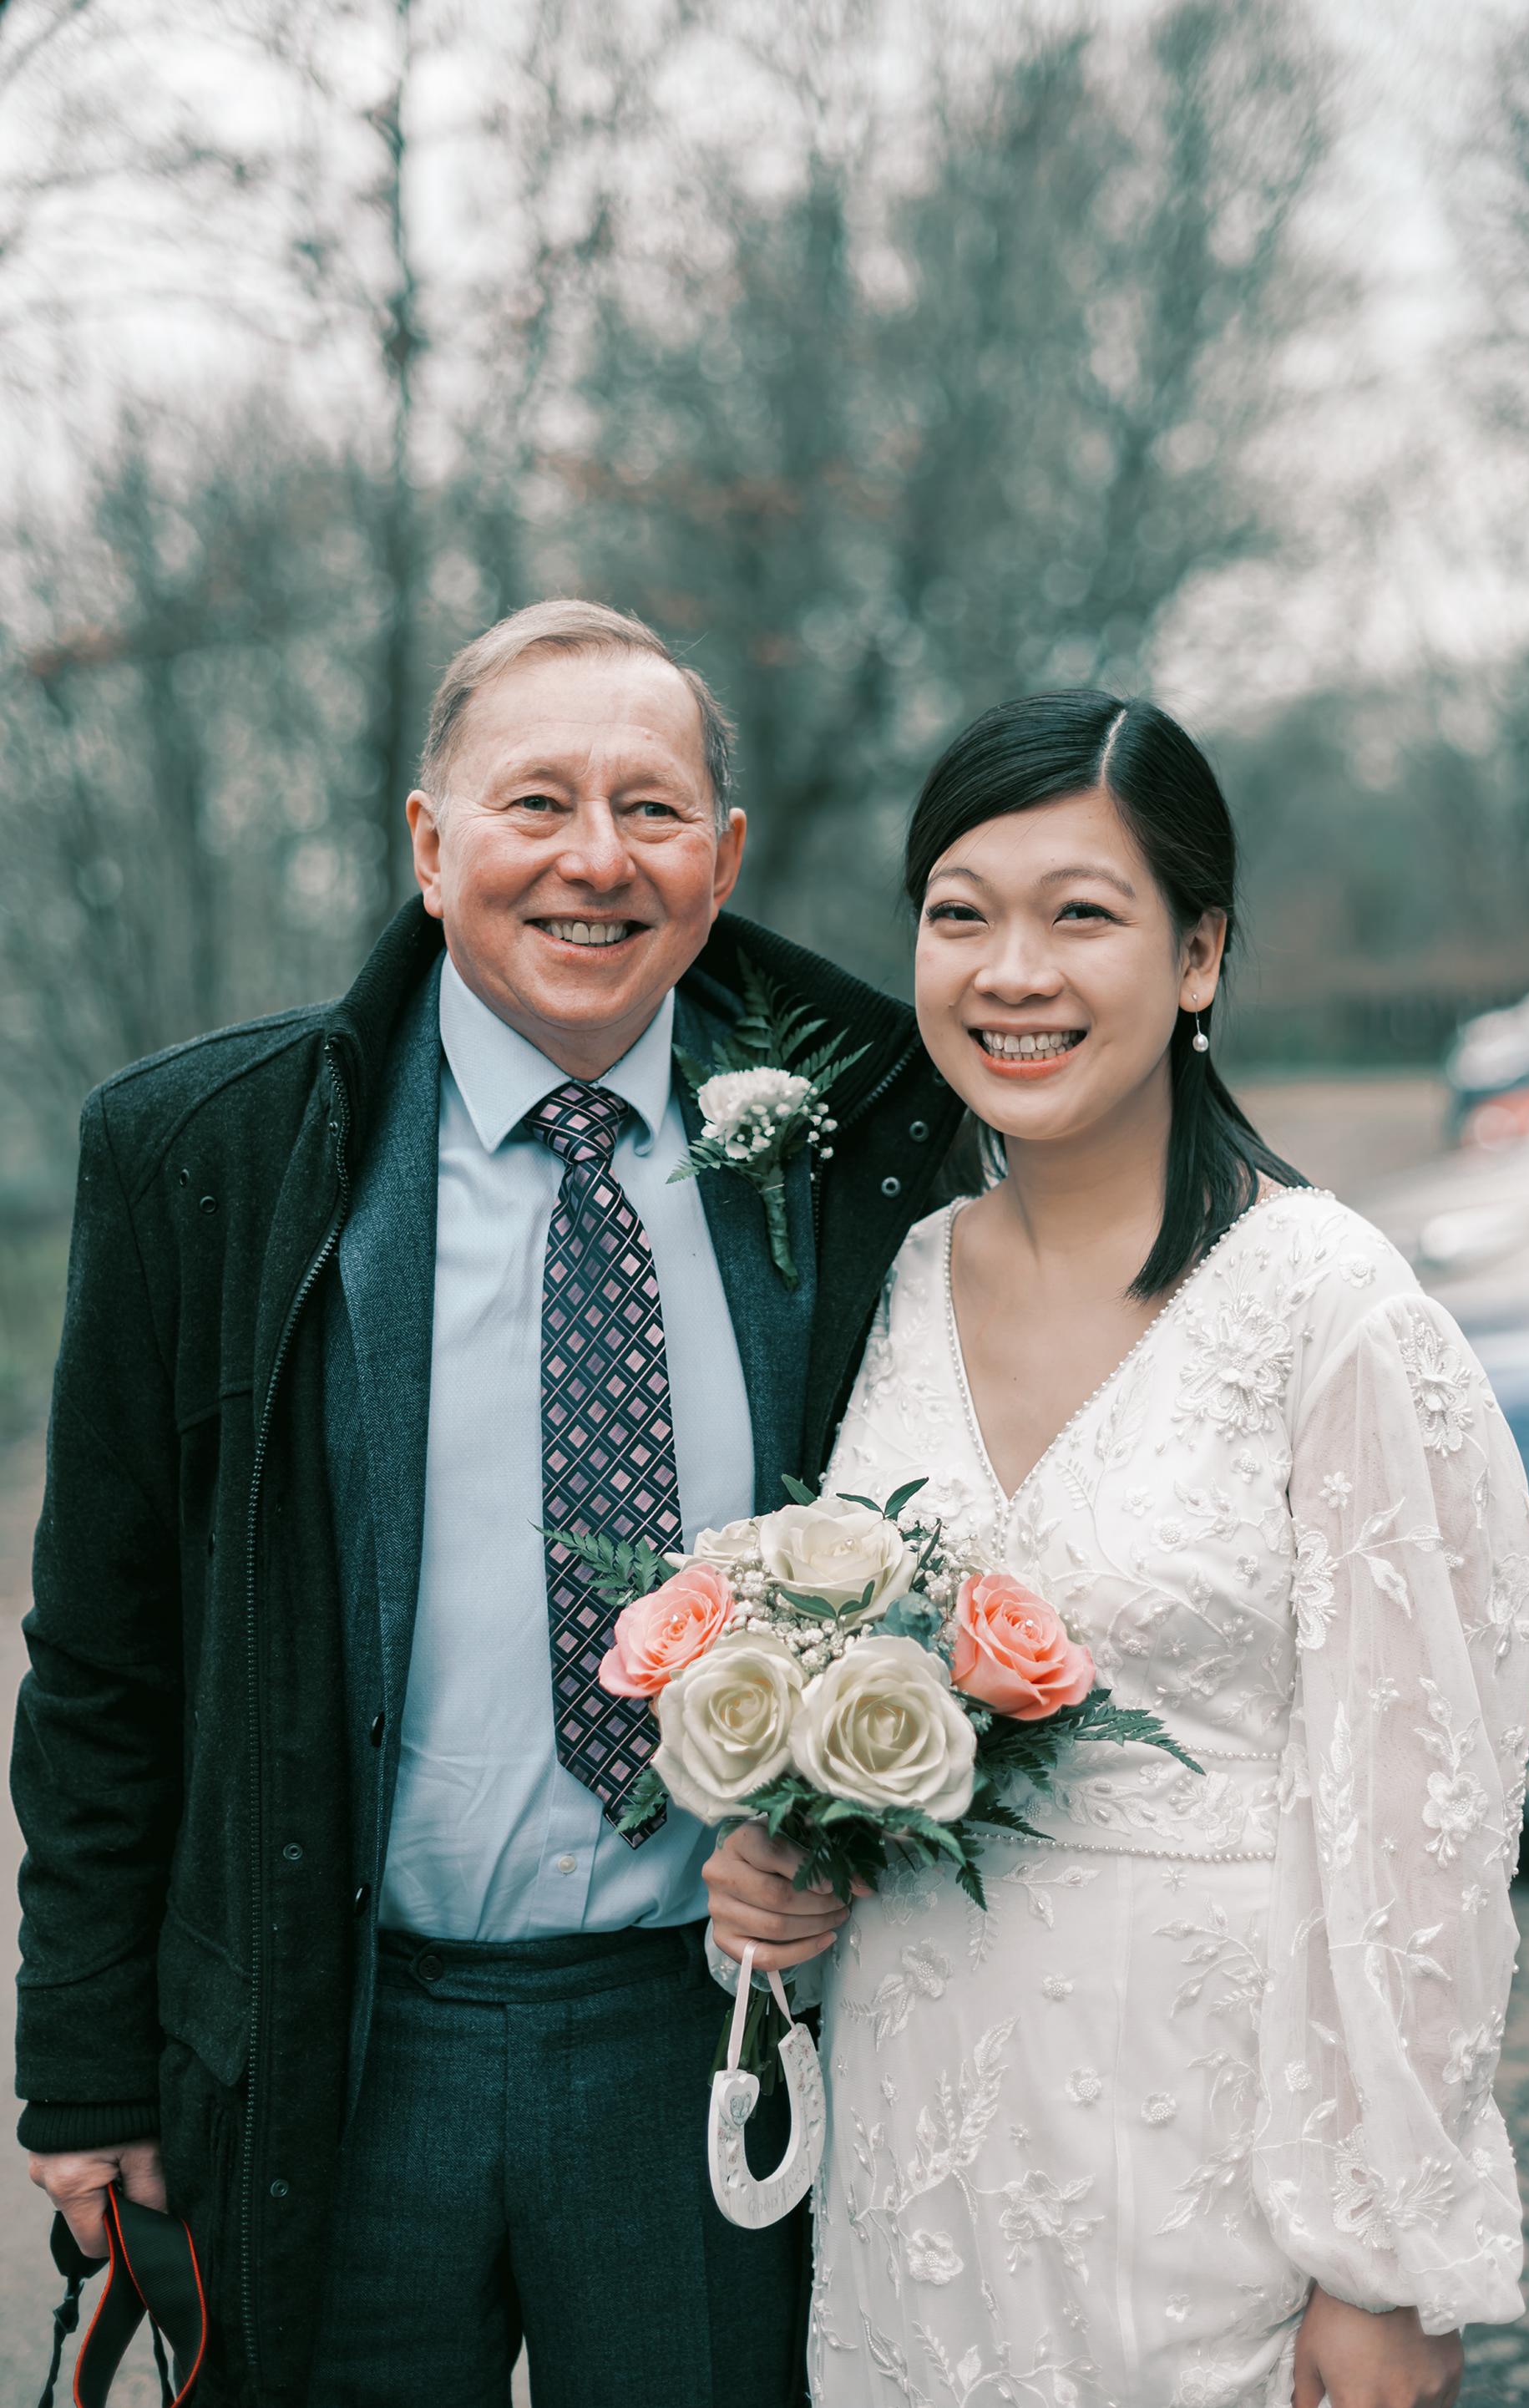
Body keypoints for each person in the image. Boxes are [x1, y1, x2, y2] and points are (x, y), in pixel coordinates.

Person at [13, 599, 964, 2406]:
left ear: (723, 859)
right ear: (429, 845)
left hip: (705, 2031)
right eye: (537, 801)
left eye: (651, 808)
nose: (596, 859)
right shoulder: (204, 1157)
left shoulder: (870, 1147)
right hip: (342, 2039)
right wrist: (82, 2065)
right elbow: (103, 1658)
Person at [704, 690, 1529, 2408]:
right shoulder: (900, 1280)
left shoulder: (1330, 1309)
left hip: (1205, 2164)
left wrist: (1382, 2259)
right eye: (961, 914)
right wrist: (789, 1855)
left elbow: (1425, 1825)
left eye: (1081, 913)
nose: (1014, 972)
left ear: (1199, 952)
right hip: (919, 2154)